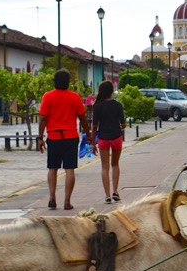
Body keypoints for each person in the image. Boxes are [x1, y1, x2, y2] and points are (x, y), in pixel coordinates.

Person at [37, 68, 88, 210]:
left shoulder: (47, 96)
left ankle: (52, 197)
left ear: (54, 82)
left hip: (53, 137)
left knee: (52, 168)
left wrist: (40, 138)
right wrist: (88, 133)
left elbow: (42, 119)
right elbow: (82, 117)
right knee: (69, 169)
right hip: (70, 136)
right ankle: (67, 201)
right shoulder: (75, 97)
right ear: (68, 82)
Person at [90, 80, 125, 204]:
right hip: (116, 137)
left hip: (103, 139)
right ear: (111, 91)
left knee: (104, 167)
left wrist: (93, 142)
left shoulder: (97, 106)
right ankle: (115, 191)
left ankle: (107, 196)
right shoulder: (118, 105)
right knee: (115, 164)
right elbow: (124, 124)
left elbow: (94, 126)